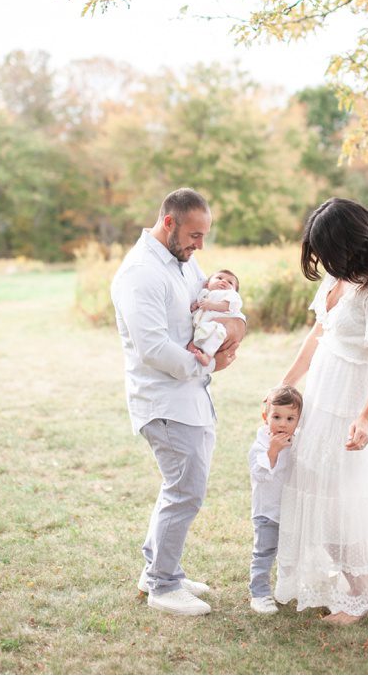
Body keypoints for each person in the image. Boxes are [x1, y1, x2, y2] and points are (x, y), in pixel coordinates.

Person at [110, 188, 246, 616]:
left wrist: (231, 327)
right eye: (194, 234)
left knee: (183, 488)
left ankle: (158, 568)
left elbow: (204, 307)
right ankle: (163, 587)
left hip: (189, 398)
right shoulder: (139, 273)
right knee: (185, 490)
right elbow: (152, 347)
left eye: (204, 236)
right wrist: (207, 368)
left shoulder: (182, 260)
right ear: (169, 222)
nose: (200, 245)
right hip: (164, 401)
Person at [274, 198, 368, 625]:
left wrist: (365, 417)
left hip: (352, 399)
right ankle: (351, 581)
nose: (322, 259)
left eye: (327, 249)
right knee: (312, 483)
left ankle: (364, 592)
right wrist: (285, 383)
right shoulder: (338, 275)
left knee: (342, 500)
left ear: (349, 241)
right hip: (321, 393)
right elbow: (318, 333)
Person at [248, 385, 303, 615]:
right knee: (264, 552)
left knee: (291, 551)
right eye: (277, 417)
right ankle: (259, 593)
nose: (283, 424)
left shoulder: (298, 441)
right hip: (268, 511)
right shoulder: (261, 443)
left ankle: (290, 586)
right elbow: (259, 474)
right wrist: (273, 451)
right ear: (265, 417)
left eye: (290, 418)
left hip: (291, 509)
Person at [188, 270, 243, 362]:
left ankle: (208, 356)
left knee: (214, 338)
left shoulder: (230, 295)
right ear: (207, 284)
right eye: (219, 278)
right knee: (192, 346)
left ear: (235, 291)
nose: (224, 281)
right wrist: (196, 306)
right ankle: (194, 359)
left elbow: (227, 306)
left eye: (230, 282)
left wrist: (212, 305)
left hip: (217, 326)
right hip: (202, 327)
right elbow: (200, 304)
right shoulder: (205, 293)